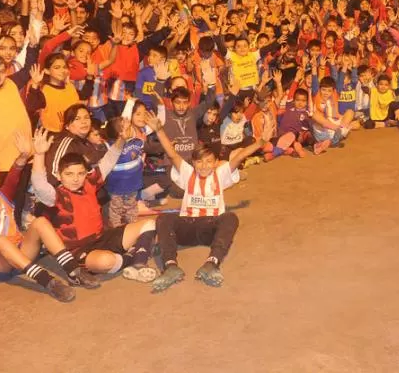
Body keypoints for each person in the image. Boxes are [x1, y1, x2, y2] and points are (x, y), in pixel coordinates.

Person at [0, 128, 100, 301]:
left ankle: (74, 271)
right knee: (1, 241)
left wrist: (24, 155)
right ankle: (48, 282)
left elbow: (14, 174)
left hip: (21, 255)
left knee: (40, 222)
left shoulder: (5, 196)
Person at [31, 117, 160, 281]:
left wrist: (122, 139)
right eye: (69, 174)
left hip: (102, 238)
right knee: (106, 261)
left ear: (86, 173)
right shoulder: (55, 196)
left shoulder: (89, 182)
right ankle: (132, 257)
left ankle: (138, 264)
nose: (75, 179)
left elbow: (109, 159)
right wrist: (39, 154)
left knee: (149, 224)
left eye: (80, 174)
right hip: (80, 251)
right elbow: (39, 184)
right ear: (58, 175)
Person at [146, 112, 246, 292]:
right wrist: (159, 130)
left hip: (210, 228)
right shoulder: (188, 173)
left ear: (216, 163)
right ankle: (170, 266)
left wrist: (262, 141)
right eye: (199, 162)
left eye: (209, 162)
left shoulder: (220, 175)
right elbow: (173, 155)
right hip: (188, 225)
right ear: (193, 163)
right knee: (164, 218)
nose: (204, 165)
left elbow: (238, 158)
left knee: (230, 217)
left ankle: (212, 263)